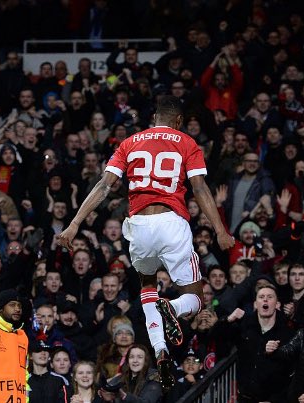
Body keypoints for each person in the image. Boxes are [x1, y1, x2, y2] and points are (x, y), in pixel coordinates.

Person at [57, 95, 235, 390]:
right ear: (178, 121)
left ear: (154, 117)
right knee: (196, 298)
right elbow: (200, 187)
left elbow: (104, 185)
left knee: (147, 285)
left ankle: (159, 348)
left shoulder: (130, 142)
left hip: (138, 226)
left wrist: (74, 223)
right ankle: (173, 308)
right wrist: (220, 230)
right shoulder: (187, 142)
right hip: (170, 221)